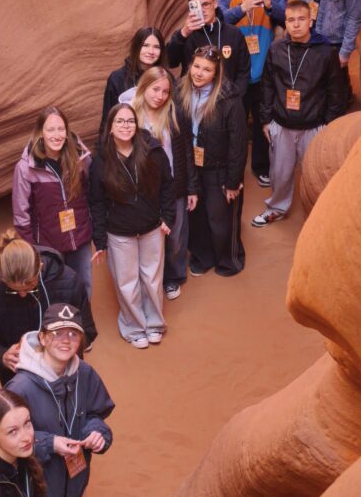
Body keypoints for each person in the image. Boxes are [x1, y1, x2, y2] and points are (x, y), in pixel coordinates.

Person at [8, 303, 113, 497]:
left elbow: (96, 413)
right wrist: (50, 443)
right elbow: (7, 437)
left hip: (73, 486)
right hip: (41, 492)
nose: (66, 340)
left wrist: (97, 433)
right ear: (42, 337)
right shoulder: (21, 386)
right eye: (57, 333)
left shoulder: (84, 374)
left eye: (73, 334)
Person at [89, 103, 176, 347]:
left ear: (136, 125)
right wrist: (100, 241)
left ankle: (155, 324)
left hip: (151, 228)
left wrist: (168, 217)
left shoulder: (152, 150)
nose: (125, 126)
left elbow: (168, 185)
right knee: (127, 284)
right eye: (120, 121)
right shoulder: (100, 160)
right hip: (119, 233)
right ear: (110, 127)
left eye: (130, 121)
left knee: (152, 280)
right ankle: (135, 327)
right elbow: (96, 202)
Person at [252, 1, 344, 227]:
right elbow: (267, 85)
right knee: (280, 173)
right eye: (291, 20)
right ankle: (276, 208)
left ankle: (321, 214)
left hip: (314, 126)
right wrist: (266, 120)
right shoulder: (276, 49)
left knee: (316, 173)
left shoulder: (326, 52)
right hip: (281, 123)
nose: (296, 25)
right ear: (285, 23)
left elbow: (335, 91)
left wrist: (329, 124)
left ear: (310, 21)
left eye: (301, 19)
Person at [0, 230, 97, 384]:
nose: (23, 294)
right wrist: (1, 355)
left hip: (64, 376)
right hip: (19, 381)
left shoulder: (69, 282)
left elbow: (87, 330)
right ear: (2, 277)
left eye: (30, 287)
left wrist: (64, 349)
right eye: (14, 290)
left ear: (40, 267)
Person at [119, 67, 199, 300]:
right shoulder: (129, 114)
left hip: (174, 186)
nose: (160, 96)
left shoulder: (175, 113)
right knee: (149, 239)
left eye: (165, 91)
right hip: (143, 190)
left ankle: (173, 277)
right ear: (144, 87)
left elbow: (186, 152)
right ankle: (150, 280)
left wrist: (192, 188)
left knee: (175, 236)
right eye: (155, 89)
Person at [218, 0, 286, 187]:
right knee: (233, 124)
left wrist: (270, 7)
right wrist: (242, 8)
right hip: (235, 73)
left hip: (263, 71)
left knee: (261, 122)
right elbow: (217, 22)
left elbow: (290, 17)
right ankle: (230, 171)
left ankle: (261, 167)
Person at [178, 45, 247, 276]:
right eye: (196, 66)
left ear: (216, 73)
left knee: (221, 218)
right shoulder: (181, 92)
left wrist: (233, 181)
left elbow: (238, 143)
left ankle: (229, 259)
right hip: (192, 165)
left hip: (220, 168)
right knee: (196, 215)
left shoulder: (229, 99)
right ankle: (202, 257)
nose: (199, 73)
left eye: (207, 69)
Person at [12, 106, 94, 299]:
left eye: (60, 129)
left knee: (83, 287)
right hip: (48, 244)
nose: (56, 135)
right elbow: (21, 215)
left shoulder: (80, 158)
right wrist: (32, 250)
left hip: (80, 237)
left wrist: (93, 227)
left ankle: (83, 320)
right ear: (40, 133)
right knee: (55, 292)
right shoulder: (26, 168)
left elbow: (92, 194)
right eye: (50, 130)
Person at [167, 0, 250, 97]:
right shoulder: (185, 35)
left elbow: (244, 71)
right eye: (196, 6)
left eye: (205, 4)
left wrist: (235, 97)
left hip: (228, 99)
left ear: (215, 3)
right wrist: (183, 33)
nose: (202, 10)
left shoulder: (234, 33)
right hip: (194, 98)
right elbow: (170, 62)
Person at [99, 27, 166, 135]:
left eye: (156, 47)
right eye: (145, 45)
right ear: (136, 46)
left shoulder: (165, 78)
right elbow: (107, 119)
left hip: (159, 139)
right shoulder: (117, 78)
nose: (151, 51)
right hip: (126, 140)